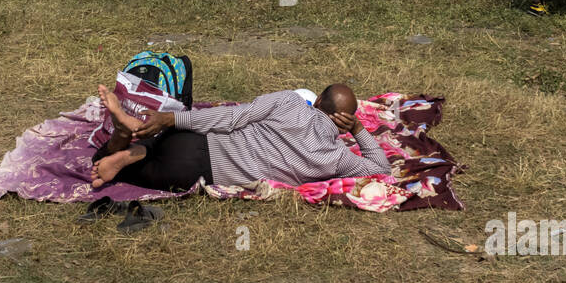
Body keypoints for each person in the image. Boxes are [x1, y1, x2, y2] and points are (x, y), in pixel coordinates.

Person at [91, 82, 391, 192]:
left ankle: (128, 138)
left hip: (197, 139)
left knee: (109, 156)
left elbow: (232, 116)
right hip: (199, 171)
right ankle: (129, 153)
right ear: (343, 121)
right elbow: (381, 169)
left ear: (318, 101)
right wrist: (358, 130)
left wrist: (174, 118)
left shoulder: (288, 101)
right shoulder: (336, 157)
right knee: (110, 167)